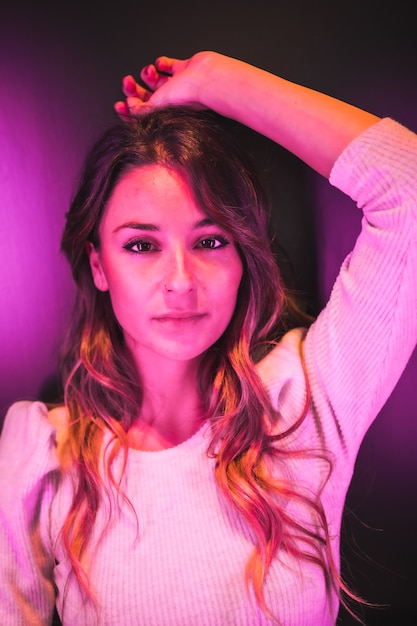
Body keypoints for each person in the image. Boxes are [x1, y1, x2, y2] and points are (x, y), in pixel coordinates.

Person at [0, 50, 416, 626]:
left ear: (245, 257)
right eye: (141, 245)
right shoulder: (44, 457)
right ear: (99, 266)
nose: (180, 282)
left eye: (211, 241)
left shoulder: (306, 400)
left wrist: (221, 81)